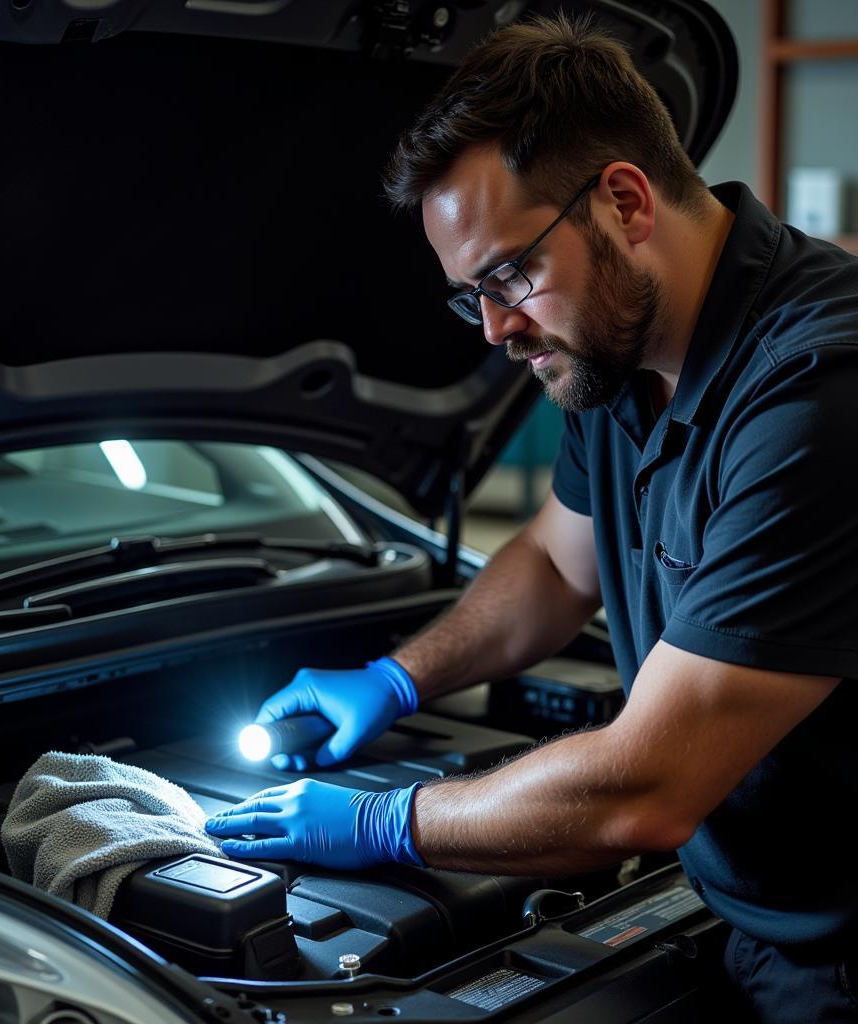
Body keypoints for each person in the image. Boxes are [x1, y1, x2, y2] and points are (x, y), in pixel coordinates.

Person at [205, 14, 858, 1020]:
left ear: (626, 202)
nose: (499, 331)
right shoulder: (614, 349)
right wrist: (396, 675)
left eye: (508, 274)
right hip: (743, 906)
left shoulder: (818, 392)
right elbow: (559, 565)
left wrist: (385, 820)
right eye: (472, 297)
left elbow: (647, 785)